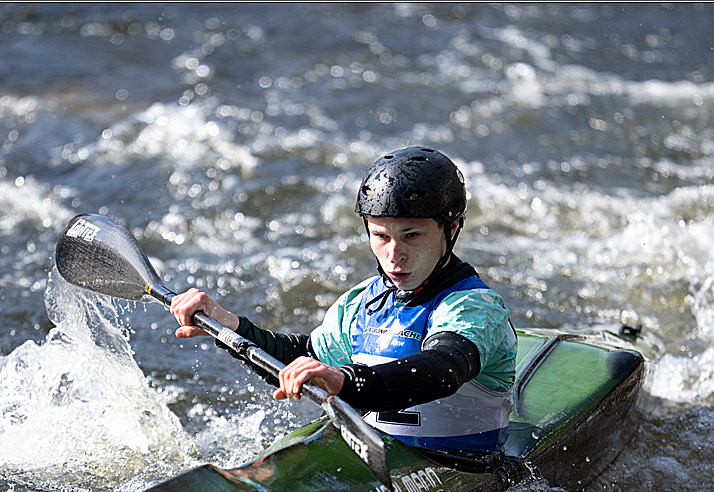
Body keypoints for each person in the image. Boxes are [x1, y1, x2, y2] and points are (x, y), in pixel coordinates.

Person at [171, 146, 517, 462]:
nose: (394, 255)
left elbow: (444, 368)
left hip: (459, 467)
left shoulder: (474, 307)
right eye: (380, 236)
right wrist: (230, 327)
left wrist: (345, 382)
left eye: (412, 236)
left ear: (451, 229)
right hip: (376, 467)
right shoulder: (360, 302)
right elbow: (306, 358)